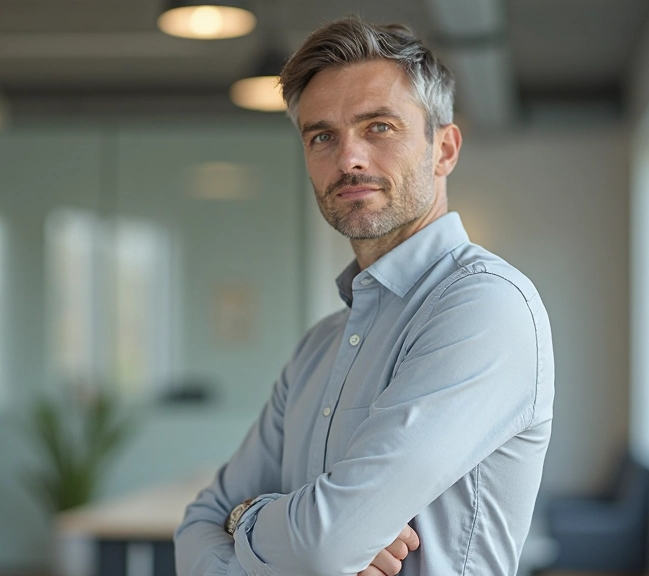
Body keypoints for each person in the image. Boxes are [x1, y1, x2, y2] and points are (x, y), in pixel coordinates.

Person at [175, 16, 554, 576]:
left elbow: (322, 546)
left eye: (379, 127)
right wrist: (271, 524)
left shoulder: (486, 307)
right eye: (322, 135)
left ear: (444, 149)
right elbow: (197, 527)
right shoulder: (318, 348)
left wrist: (248, 520)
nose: (348, 158)